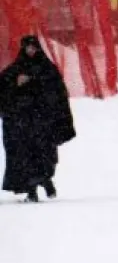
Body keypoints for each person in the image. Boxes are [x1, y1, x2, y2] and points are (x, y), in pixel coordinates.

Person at [0, 36, 77, 202]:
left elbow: (56, 92)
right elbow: (4, 91)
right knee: (25, 155)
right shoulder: (15, 70)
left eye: (33, 47)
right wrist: (16, 84)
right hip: (22, 123)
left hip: (42, 122)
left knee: (43, 154)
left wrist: (34, 82)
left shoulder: (47, 69)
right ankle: (32, 190)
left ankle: (45, 180)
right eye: (27, 48)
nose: (30, 51)